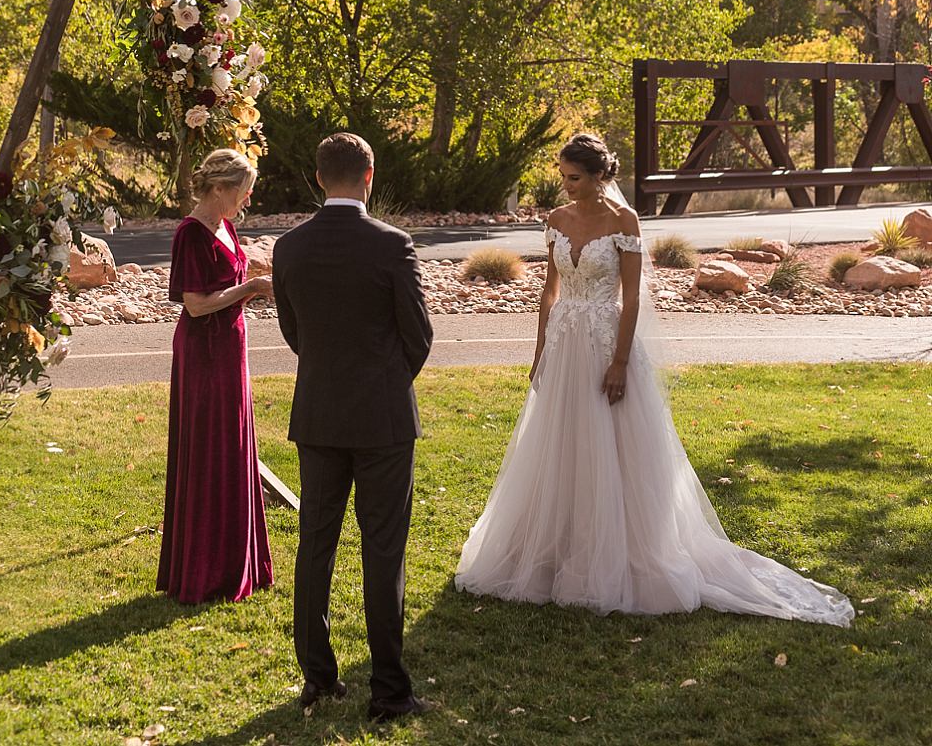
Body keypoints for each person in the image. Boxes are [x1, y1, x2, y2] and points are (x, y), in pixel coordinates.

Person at [455, 132, 854, 625]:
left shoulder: (624, 222)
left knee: (612, 445)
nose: (566, 187)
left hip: (605, 342)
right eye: (562, 177)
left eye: (573, 178)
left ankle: (619, 552)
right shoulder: (556, 221)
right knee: (561, 444)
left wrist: (620, 361)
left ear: (600, 176)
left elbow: (632, 298)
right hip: (564, 344)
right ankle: (554, 551)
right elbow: (549, 292)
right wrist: (539, 353)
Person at [270, 133, 433, 724]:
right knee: (382, 551)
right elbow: (418, 334)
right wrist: (387, 381)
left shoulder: (288, 248)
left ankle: (318, 677)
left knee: (316, 543)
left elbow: (296, 334)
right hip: (383, 416)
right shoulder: (392, 244)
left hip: (318, 409)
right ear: (369, 175)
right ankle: (389, 690)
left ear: (318, 179)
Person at [158, 147, 274, 604]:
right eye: (243, 193)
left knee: (233, 445)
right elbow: (196, 303)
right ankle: (206, 571)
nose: (246, 201)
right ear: (219, 188)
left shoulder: (226, 226)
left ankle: (237, 562)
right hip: (204, 351)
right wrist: (251, 288)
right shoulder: (191, 233)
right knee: (210, 448)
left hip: (230, 345)